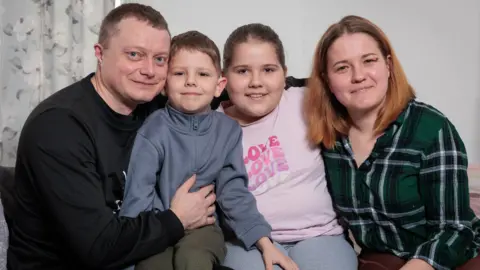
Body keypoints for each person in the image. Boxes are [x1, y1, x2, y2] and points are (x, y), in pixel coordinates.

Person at [7, 4, 218, 270]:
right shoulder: (58, 126)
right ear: (100, 54)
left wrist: (280, 87)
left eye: (160, 59)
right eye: (134, 55)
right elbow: (98, 247)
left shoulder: (154, 106)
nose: (149, 70)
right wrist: (177, 219)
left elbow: (227, 88)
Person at [304, 15, 480, 270]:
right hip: (385, 255)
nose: (358, 76)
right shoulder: (329, 139)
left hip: (452, 254)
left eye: (369, 61)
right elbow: (274, 88)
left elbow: (454, 228)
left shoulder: (431, 128)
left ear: (388, 65)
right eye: (342, 67)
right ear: (327, 80)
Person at [119, 30, 296, 270]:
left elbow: (233, 191)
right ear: (164, 84)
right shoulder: (153, 129)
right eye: (180, 73)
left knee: (193, 258)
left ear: (218, 85)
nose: (191, 81)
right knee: (152, 265)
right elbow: (138, 194)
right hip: (158, 224)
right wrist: (126, 256)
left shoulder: (227, 130)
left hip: (204, 228)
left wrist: (263, 241)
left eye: (202, 74)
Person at [219, 23, 358, 270]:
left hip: (320, 235)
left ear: (284, 74)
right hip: (247, 242)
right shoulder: (211, 128)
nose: (256, 82)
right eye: (242, 71)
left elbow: (356, 91)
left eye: (268, 70)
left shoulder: (305, 101)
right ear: (224, 77)